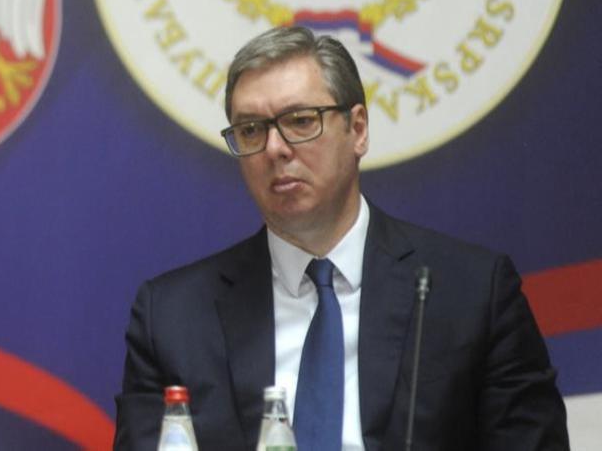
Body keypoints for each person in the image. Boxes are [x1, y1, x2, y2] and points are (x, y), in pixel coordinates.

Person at [114, 26, 568, 450]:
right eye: (251, 130)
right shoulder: (173, 317)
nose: (275, 148)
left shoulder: (471, 294)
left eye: (301, 120)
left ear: (358, 129)